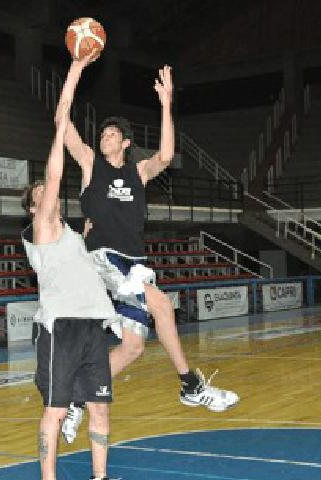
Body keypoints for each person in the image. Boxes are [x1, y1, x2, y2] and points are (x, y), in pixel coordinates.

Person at [59, 59, 239, 442]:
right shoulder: (91, 164)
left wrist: (166, 103)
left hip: (133, 262)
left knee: (133, 347)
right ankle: (190, 384)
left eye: (112, 133)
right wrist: (75, 70)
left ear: (125, 143)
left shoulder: (137, 172)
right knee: (159, 304)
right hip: (102, 258)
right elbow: (63, 122)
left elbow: (167, 154)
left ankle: (77, 394)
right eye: (103, 132)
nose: (104, 136)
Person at [21, 55, 120, 480]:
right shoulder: (41, 228)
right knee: (56, 412)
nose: (50, 189)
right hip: (60, 327)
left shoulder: (74, 234)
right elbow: (56, 166)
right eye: (41, 188)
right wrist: (76, 73)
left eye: (49, 188)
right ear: (34, 204)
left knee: (99, 408)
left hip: (92, 326)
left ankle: (98, 479)